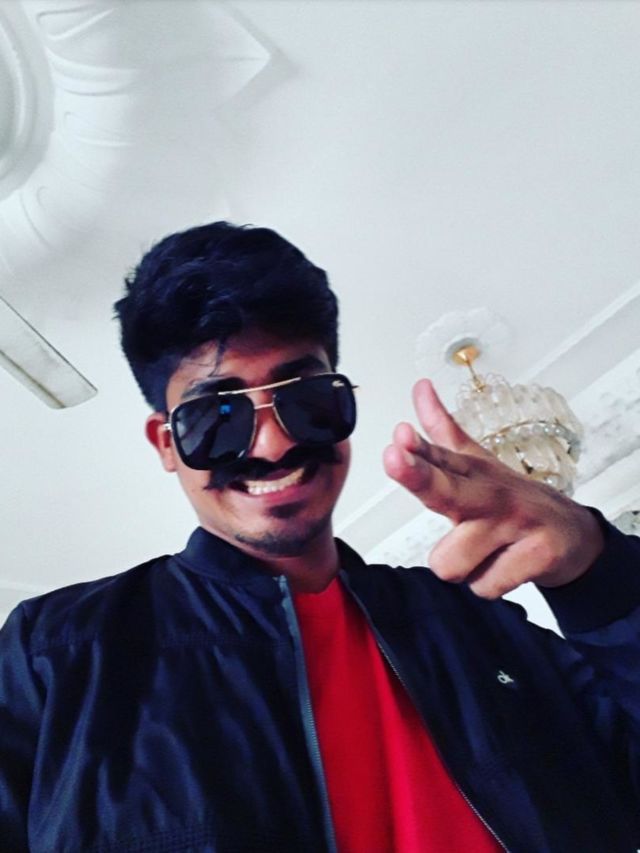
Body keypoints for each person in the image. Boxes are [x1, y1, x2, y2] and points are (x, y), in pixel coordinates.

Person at [0, 221, 639, 853]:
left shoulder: (476, 622)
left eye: (306, 398)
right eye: (217, 415)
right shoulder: (56, 652)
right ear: (168, 445)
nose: (273, 445)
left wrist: (598, 571)